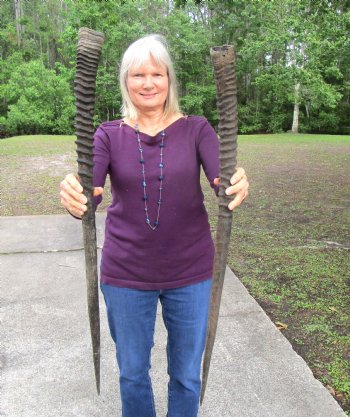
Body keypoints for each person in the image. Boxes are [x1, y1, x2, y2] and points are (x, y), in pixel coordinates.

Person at [60, 34, 249, 417]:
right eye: (138, 75)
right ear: (125, 82)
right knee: (132, 374)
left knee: (185, 376)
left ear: (169, 80)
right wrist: (76, 197)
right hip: (125, 274)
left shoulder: (196, 129)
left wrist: (235, 184)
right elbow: (91, 192)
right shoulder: (108, 134)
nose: (148, 83)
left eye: (157, 74)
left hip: (192, 272)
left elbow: (221, 182)